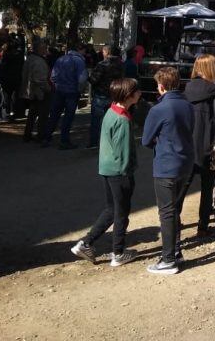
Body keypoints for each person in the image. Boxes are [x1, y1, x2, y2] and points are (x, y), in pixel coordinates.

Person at [70, 78, 141, 267]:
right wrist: (128, 172)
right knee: (121, 213)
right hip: (120, 172)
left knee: (111, 209)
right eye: (136, 91)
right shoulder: (123, 119)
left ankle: (86, 242)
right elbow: (124, 152)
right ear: (129, 95)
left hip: (107, 169)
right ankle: (118, 252)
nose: (139, 93)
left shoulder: (111, 111)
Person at [142, 67, 195, 275]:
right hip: (185, 162)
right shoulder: (187, 105)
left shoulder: (159, 109)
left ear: (161, 86)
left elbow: (146, 140)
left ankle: (168, 258)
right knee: (175, 211)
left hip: (167, 165)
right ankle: (175, 251)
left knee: (166, 212)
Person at [178, 55, 215, 239]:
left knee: (183, 186)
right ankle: (203, 226)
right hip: (207, 143)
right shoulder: (214, 91)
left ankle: (174, 222)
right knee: (207, 188)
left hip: (188, 143)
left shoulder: (187, 87)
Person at [42, 42, 88, 150]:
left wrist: (57, 86)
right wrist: (79, 90)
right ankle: (64, 140)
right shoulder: (79, 61)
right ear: (81, 50)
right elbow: (82, 79)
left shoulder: (61, 59)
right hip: (72, 92)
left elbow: (53, 76)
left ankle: (46, 137)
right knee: (68, 117)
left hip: (59, 91)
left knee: (54, 115)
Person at [88, 46, 124, 150]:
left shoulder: (102, 64)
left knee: (96, 120)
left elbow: (94, 80)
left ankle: (94, 142)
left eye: (103, 50)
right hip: (114, 96)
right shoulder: (120, 64)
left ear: (107, 52)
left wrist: (88, 78)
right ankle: (110, 142)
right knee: (112, 120)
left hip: (101, 95)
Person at [20, 40, 52, 142]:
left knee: (32, 114)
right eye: (44, 48)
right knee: (42, 115)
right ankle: (40, 135)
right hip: (39, 92)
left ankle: (28, 134)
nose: (46, 50)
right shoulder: (38, 61)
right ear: (40, 49)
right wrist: (48, 88)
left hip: (32, 91)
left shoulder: (30, 59)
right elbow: (40, 79)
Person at [0, 41, 24, 121]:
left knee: (7, 96)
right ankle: (13, 112)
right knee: (14, 96)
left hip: (6, 79)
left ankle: (7, 112)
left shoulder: (5, 56)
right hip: (16, 78)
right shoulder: (19, 56)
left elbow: (2, 67)